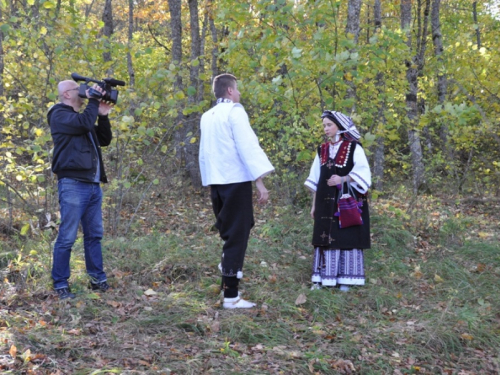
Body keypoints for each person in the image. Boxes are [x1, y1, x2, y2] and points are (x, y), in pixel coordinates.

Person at [199, 73, 274, 309]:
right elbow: (248, 146)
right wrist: (259, 181)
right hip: (234, 181)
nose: (239, 94)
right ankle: (231, 296)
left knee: (236, 228)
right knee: (237, 235)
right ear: (230, 91)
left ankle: (226, 279)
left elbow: (206, 153)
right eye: (238, 89)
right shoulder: (234, 111)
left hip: (217, 182)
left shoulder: (207, 116)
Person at [48, 79, 114, 299]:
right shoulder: (59, 115)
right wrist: (94, 101)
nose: (85, 92)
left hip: (93, 186)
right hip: (74, 185)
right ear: (67, 94)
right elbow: (85, 123)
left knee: (94, 235)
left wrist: (103, 115)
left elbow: (103, 139)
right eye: (79, 89)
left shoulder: (80, 119)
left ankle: (97, 279)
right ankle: (60, 283)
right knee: (67, 236)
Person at [304, 110, 371, 291]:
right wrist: (313, 205)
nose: (325, 128)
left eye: (329, 125)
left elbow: (363, 173)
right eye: (324, 125)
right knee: (324, 236)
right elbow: (316, 179)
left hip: (347, 201)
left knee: (346, 235)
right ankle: (322, 278)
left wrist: (342, 179)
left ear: (339, 127)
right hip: (325, 202)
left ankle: (346, 280)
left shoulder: (354, 147)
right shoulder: (322, 149)